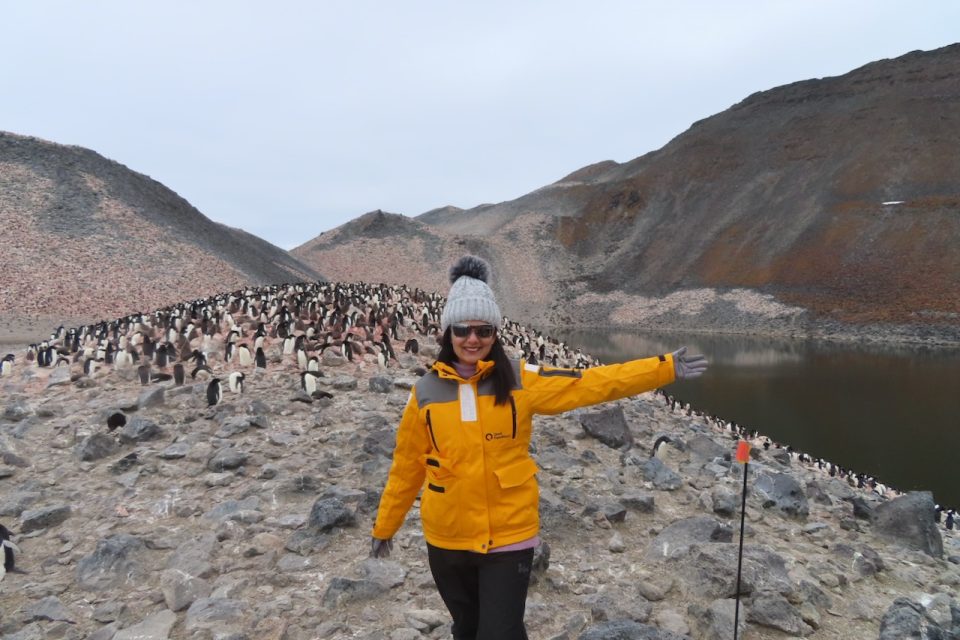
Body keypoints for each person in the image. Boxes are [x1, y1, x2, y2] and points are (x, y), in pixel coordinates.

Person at [370, 255, 708, 639]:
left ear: (496, 333)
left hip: (509, 534)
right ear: (448, 333)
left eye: (484, 330)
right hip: (447, 537)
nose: (473, 339)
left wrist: (662, 367)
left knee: (500, 633)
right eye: (462, 329)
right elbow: (407, 466)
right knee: (467, 629)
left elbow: (590, 383)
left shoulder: (521, 380)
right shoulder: (425, 392)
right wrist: (385, 526)